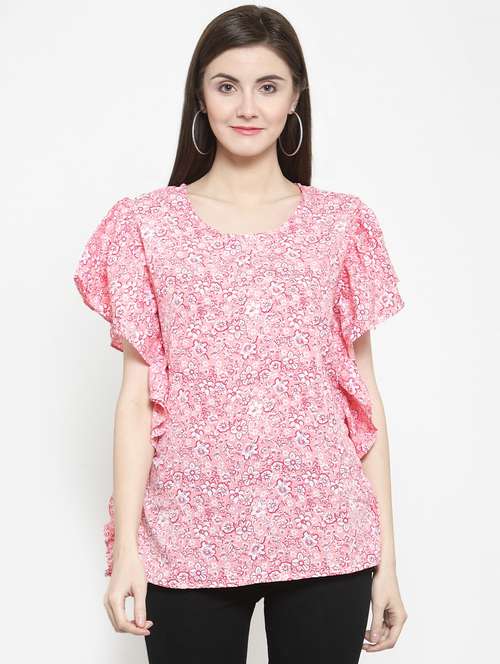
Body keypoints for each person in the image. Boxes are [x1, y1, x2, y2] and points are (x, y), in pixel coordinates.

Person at [73, 5, 408, 663]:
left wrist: (387, 561)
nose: (247, 107)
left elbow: (363, 402)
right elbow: (135, 401)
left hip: (326, 533)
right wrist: (126, 553)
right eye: (227, 85)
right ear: (200, 95)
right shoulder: (145, 226)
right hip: (187, 535)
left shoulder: (341, 225)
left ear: (295, 96)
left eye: (268, 85)